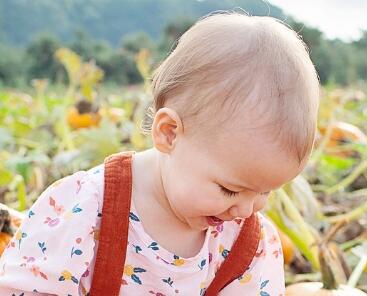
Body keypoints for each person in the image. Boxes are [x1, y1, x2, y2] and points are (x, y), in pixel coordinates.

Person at [0, 10, 320, 296]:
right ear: (169, 133)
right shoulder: (83, 208)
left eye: (265, 192)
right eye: (230, 189)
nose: (247, 209)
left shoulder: (249, 246)